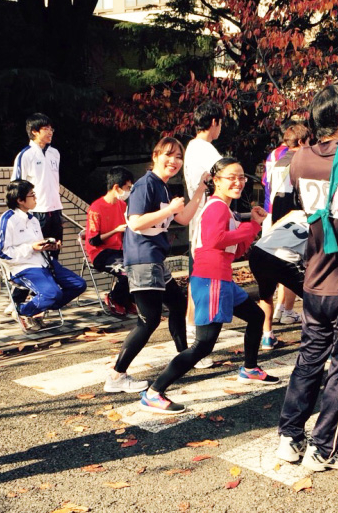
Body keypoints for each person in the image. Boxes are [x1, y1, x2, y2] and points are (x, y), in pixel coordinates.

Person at [276, 83, 338, 472]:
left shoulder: (298, 159)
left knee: (309, 359)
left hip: (315, 277)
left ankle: (290, 436)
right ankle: (324, 447)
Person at [139, 157, 279, 414]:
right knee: (203, 345)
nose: (237, 182)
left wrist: (252, 227)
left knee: (256, 316)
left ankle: (249, 369)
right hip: (212, 280)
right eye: (231, 177)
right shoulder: (216, 207)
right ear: (216, 181)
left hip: (221, 277)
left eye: (241, 177)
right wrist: (252, 227)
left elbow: (233, 250)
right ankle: (154, 392)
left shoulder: (224, 208)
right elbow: (217, 240)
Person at [104, 137, 208, 393]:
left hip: (155, 259)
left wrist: (198, 192)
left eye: (178, 157)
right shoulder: (145, 185)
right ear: (155, 156)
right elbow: (136, 222)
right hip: (143, 259)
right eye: (168, 155)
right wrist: (169, 209)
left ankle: (184, 355)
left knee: (177, 303)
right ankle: (117, 376)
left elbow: (182, 218)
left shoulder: (162, 186)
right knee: (148, 321)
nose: (174, 161)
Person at [0, 180, 86, 331]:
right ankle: (23, 311)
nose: (36, 198)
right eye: (32, 195)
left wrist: (48, 246)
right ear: (20, 200)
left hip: (43, 263)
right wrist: (31, 248)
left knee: (78, 284)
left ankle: (37, 309)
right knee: (52, 293)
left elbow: (37, 246)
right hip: (22, 267)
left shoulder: (34, 219)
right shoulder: (7, 221)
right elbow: (3, 253)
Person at [183, 100, 224, 366]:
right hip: (205, 224)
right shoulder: (207, 149)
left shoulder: (192, 147)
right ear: (214, 123)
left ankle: (191, 337)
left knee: (196, 281)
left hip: (197, 223)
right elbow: (226, 173)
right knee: (201, 283)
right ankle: (195, 344)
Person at [265, 124, 311, 340]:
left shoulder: (277, 159)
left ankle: (274, 322)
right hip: (292, 216)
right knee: (294, 264)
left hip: (274, 215)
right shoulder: (300, 159)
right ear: (302, 142)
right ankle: (287, 310)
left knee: (274, 270)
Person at [249, 211, 308, 350]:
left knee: (266, 295)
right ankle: (327, 345)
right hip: (284, 258)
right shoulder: (324, 223)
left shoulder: (296, 213)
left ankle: (267, 336)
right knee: (314, 299)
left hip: (259, 251)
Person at [85, 166, 135, 318]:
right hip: (101, 253)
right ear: (116, 187)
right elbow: (93, 240)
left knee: (140, 267)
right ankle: (115, 298)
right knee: (128, 272)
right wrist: (115, 230)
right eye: (127, 187)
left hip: (119, 251)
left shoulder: (122, 205)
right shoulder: (96, 208)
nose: (129, 191)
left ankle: (127, 300)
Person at [12, 113, 63, 255]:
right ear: (34, 131)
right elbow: (16, 185)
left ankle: (54, 276)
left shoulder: (55, 153)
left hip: (56, 210)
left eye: (51, 128)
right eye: (46, 128)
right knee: (40, 254)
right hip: (37, 212)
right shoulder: (25, 155)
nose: (50, 132)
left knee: (55, 252)